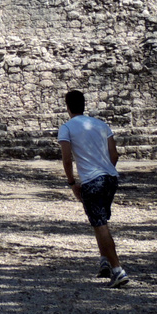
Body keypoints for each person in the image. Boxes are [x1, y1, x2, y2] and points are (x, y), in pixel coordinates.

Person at [58, 89, 128, 288]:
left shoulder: (67, 128)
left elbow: (66, 158)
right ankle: (104, 261)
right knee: (100, 221)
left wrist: (72, 182)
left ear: (68, 106)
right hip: (110, 178)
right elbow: (114, 155)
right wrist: (106, 170)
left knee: (101, 226)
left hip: (91, 180)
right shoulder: (101, 124)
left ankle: (117, 269)